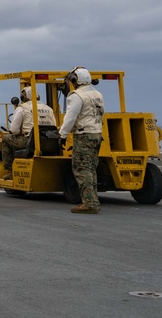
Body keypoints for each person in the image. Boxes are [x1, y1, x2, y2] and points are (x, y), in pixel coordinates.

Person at [58, 66, 104, 214]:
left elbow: (70, 117)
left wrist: (62, 135)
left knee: (81, 169)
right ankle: (93, 200)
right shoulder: (97, 94)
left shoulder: (76, 96)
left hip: (84, 135)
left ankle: (89, 204)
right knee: (91, 168)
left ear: (75, 79)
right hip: (97, 134)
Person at [0, 86, 57, 181]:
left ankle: (10, 172)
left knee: (6, 139)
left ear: (23, 97)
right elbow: (54, 125)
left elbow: (14, 130)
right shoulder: (49, 109)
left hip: (29, 141)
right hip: (49, 141)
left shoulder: (22, 108)